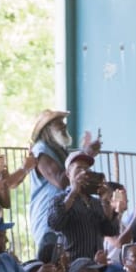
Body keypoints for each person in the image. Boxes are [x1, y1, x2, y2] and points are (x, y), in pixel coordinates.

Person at [28, 109, 100, 256]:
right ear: (47, 129)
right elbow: (61, 181)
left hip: (65, 213)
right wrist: (85, 154)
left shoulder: (60, 150)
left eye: (62, 121)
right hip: (47, 214)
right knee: (50, 256)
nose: (63, 125)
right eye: (57, 123)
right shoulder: (40, 150)